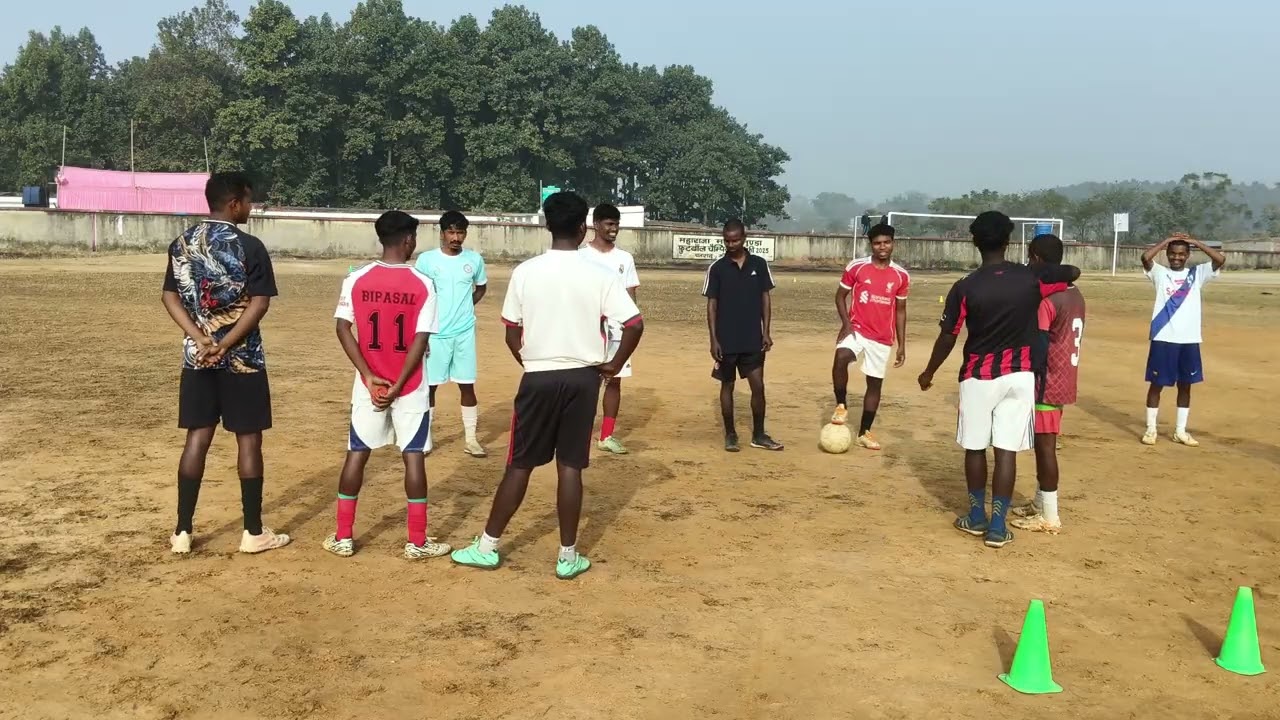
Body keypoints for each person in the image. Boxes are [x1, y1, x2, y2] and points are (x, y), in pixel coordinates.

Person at [450, 192, 643, 579]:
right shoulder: (602, 275)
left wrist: (535, 363)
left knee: (519, 464)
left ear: (546, 225)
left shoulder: (526, 271)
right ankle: (568, 556)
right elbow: (634, 324)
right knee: (570, 468)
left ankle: (487, 546)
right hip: (584, 378)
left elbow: (511, 333)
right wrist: (613, 365)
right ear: (582, 227)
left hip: (538, 378)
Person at [917, 211, 1079, 549]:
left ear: (974, 242)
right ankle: (998, 526)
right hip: (1020, 376)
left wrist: (929, 371)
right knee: (1006, 450)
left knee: (975, 447)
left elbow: (948, 335)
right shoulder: (1032, 280)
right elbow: (1071, 274)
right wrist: (1043, 270)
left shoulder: (965, 287)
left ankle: (976, 517)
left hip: (978, 376)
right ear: (1009, 241)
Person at [161, 171, 290, 555]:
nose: (251, 207)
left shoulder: (181, 243)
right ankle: (253, 532)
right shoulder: (250, 246)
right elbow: (260, 303)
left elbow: (170, 297)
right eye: (249, 201)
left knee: (197, 437)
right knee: (248, 439)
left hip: (197, 358)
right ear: (234, 203)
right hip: (244, 361)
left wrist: (202, 339)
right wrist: (226, 342)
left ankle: (182, 531)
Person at [323, 211, 450, 560]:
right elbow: (420, 342)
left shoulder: (357, 278)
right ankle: (417, 542)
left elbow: (342, 329)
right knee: (413, 458)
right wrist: (398, 385)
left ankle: (344, 537)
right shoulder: (424, 283)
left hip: (369, 385)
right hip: (411, 386)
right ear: (408, 239)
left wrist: (367, 375)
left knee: (357, 453)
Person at [1011, 234, 1086, 534]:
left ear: (1036, 257)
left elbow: (1040, 346)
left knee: (1045, 448)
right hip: (1066, 376)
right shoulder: (1075, 293)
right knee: (1045, 444)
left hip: (1048, 380)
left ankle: (1050, 516)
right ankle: (1040, 502)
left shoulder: (1048, 301)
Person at [703, 219, 784, 452]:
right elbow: (712, 305)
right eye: (727, 240)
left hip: (752, 338)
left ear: (744, 238)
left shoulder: (759, 264)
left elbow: (765, 299)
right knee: (726, 386)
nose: (731, 244)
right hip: (726, 340)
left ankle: (759, 434)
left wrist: (766, 331)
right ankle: (730, 434)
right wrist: (714, 339)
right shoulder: (717, 268)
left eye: (735, 240)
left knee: (758, 386)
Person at [1140, 233, 1226, 447]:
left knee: (1185, 386)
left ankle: (1180, 430)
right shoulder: (1160, 273)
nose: (1176, 257)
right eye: (1172, 253)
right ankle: (1151, 429)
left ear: (1188, 255)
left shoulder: (1197, 274)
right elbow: (1145, 258)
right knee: (1156, 385)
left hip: (1189, 340)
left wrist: (1197, 242)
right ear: (1167, 254)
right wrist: (1165, 242)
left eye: (1181, 254)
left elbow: (1220, 260)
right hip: (1163, 338)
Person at [414, 211, 488, 458]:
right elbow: (420, 296)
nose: (456, 237)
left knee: (467, 385)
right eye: (452, 232)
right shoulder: (426, 260)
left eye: (461, 232)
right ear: (442, 232)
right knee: (430, 387)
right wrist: (422, 335)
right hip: (436, 334)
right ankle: (424, 437)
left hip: (464, 333)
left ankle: (471, 439)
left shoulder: (474, 260)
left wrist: (466, 306)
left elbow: (481, 287)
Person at [830, 223, 910, 450]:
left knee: (874, 384)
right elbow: (840, 297)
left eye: (886, 242)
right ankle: (841, 405)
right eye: (877, 243)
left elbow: (901, 311)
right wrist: (846, 324)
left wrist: (902, 344)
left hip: (882, 338)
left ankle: (864, 432)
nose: (882, 247)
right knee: (841, 357)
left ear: (893, 244)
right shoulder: (857, 267)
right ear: (871, 245)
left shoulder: (901, 276)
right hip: (857, 329)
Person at [578, 203, 640, 455]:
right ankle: (580, 433)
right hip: (587, 331)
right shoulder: (581, 256)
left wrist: (629, 326)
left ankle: (606, 435)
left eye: (616, 224)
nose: (614, 229)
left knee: (614, 382)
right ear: (596, 224)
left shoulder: (624, 258)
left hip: (617, 331)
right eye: (609, 224)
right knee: (585, 383)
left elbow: (631, 295)